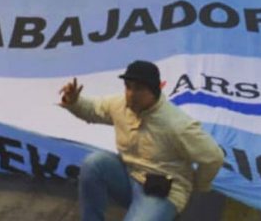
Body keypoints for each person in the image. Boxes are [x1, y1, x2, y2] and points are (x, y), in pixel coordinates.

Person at [59, 60, 224, 221]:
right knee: (94, 163)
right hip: (128, 175)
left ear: (154, 91)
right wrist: (74, 101)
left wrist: (198, 187)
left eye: (139, 89)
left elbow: (214, 157)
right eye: (128, 87)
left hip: (162, 191)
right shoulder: (120, 105)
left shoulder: (177, 125)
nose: (131, 94)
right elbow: (93, 109)